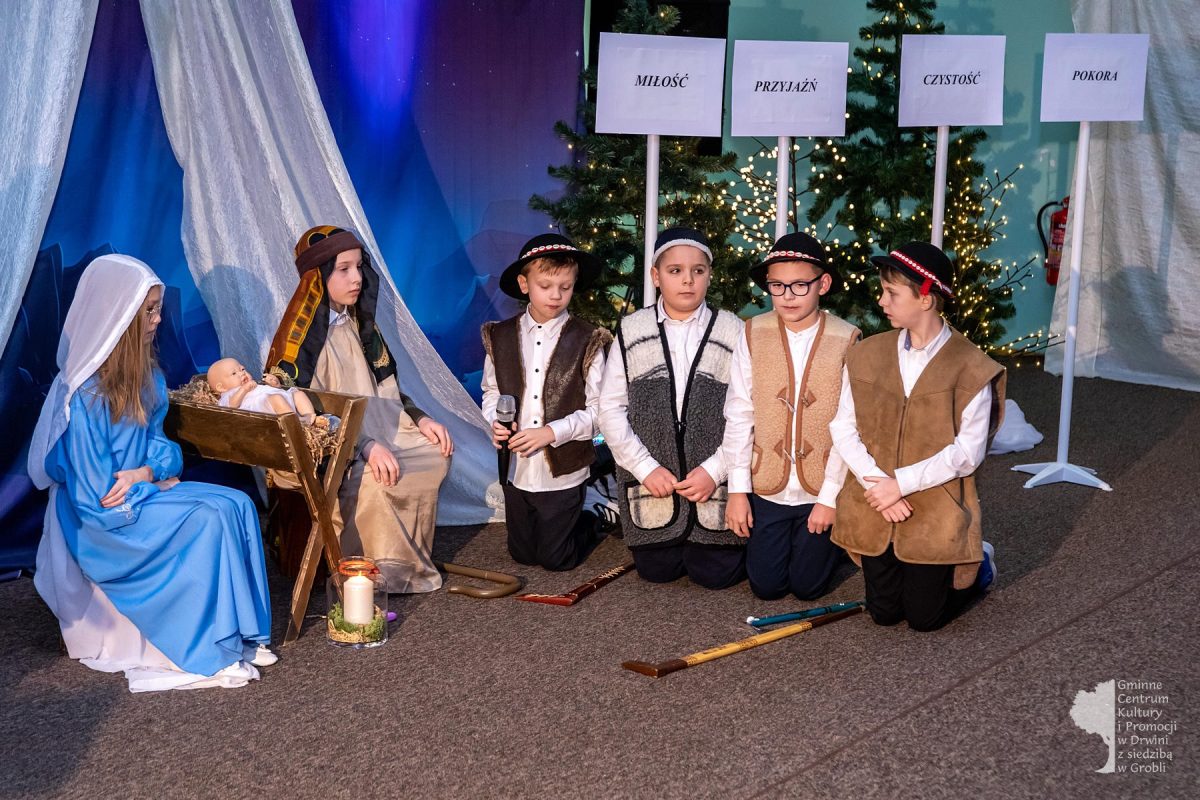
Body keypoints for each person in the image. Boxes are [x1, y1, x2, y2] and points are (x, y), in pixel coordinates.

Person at [28, 254, 274, 692]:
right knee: (207, 517)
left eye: (158, 309)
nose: (158, 319)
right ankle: (207, 649)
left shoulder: (150, 380)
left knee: (238, 503)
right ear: (118, 317)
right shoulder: (83, 397)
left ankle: (241, 633)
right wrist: (155, 485)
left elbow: (166, 453)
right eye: (149, 311)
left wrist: (149, 474)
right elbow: (95, 495)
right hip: (101, 520)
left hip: (141, 491)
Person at [265, 226, 452, 592]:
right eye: (344, 269)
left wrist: (420, 419)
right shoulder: (297, 343)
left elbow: (388, 391)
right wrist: (363, 445)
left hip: (383, 431)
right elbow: (304, 418)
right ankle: (375, 570)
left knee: (434, 453)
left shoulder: (359, 325)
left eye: (359, 267)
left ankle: (406, 558)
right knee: (380, 480)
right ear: (318, 278)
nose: (357, 278)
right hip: (339, 453)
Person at [829, 241, 1005, 632]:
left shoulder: (971, 367)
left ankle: (980, 566)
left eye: (891, 293)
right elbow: (842, 426)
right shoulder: (865, 354)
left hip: (933, 503)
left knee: (925, 619)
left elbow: (967, 453)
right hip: (876, 500)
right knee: (885, 613)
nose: (881, 301)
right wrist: (879, 485)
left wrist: (902, 484)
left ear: (926, 298)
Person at [598, 228, 745, 588]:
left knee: (716, 576)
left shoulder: (733, 330)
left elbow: (745, 411)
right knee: (656, 571)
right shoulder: (631, 330)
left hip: (711, 483)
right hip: (653, 485)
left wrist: (715, 470)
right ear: (656, 276)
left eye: (698, 271)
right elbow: (610, 409)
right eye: (675, 271)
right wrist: (645, 468)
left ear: (709, 275)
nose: (687, 280)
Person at [722, 232, 860, 600]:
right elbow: (739, 412)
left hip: (820, 487)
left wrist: (829, 498)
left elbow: (849, 424)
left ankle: (834, 538)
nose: (788, 296)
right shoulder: (753, 333)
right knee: (766, 587)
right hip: (769, 484)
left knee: (807, 588)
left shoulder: (846, 338)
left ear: (823, 284)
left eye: (800, 285)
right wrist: (737, 490)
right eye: (777, 286)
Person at [481, 234, 611, 570]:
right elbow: (491, 391)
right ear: (524, 284)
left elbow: (601, 411)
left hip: (563, 470)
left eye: (565, 287)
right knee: (523, 555)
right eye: (545, 286)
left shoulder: (588, 340)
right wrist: (494, 421)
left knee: (557, 559)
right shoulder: (500, 336)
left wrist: (551, 432)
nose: (556, 295)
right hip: (516, 468)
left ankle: (592, 518)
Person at [208, 357, 322, 424]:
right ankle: (297, 423)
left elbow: (270, 392)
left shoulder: (253, 385)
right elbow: (232, 405)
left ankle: (309, 417)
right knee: (276, 399)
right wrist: (244, 389)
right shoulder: (228, 394)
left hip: (280, 404)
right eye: (234, 373)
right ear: (221, 387)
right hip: (265, 409)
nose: (242, 373)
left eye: (242, 369)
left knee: (298, 394)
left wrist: (275, 385)